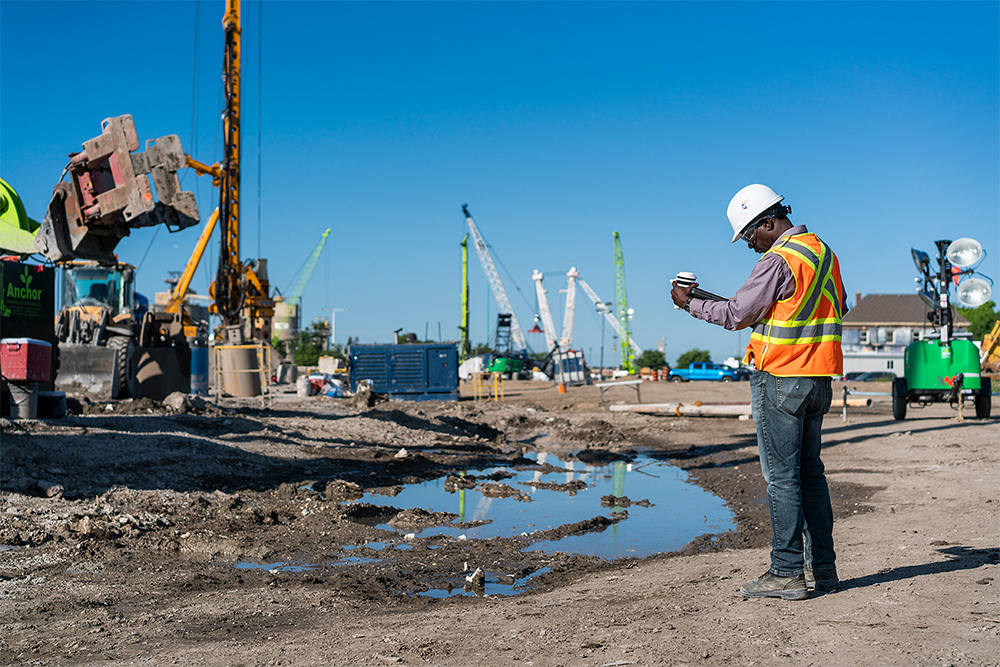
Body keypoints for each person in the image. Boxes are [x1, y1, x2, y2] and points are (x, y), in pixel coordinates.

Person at [670, 184, 847, 600]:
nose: (751, 246)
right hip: (818, 379)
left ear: (768, 222)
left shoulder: (778, 258)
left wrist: (686, 304)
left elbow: (735, 316)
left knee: (782, 480)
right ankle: (823, 569)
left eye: (751, 235)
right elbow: (765, 309)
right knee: (811, 477)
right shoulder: (822, 254)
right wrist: (704, 297)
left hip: (782, 380)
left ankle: (785, 573)